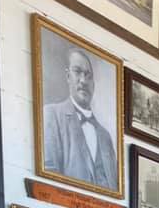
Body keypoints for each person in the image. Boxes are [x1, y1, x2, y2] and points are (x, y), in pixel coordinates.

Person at [43, 48, 118, 192]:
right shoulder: (52, 115)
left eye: (88, 75)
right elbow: (48, 180)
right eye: (77, 72)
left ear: (94, 85)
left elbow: (114, 189)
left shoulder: (105, 136)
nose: (83, 80)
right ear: (67, 76)